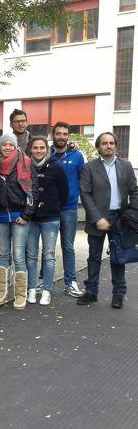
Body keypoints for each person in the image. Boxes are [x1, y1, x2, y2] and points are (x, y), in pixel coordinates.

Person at [79, 132, 138, 308]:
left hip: (120, 218)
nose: (108, 146)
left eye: (111, 143)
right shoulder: (90, 167)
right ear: (98, 147)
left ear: (115, 146)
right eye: (104, 143)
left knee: (118, 257)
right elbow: (85, 194)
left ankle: (118, 294)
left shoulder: (126, 166)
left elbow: (135, 190)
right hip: (97, 218)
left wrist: (133, 211)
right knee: (94, 257)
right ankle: (91, 292)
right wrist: (97, 218)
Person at [0, 133, 38, 310]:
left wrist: (26, 215)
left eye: (11, 144)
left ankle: (20, 295)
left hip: (20, 217)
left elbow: (33, 191)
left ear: (16, 146)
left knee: (18, 255)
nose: (8, 147)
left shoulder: (26, 163)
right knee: (3, 254)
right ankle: (1, 292)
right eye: (4, 144)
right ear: (0, 146)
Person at [25, 137, 68, 306]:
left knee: (49, 255)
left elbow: (64, 192)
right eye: (35, 147)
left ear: (47, 149)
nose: (38, 151)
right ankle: (31, 288)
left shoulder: (57, 166)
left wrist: (53, 207)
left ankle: (47, 290)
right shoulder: (25, 166)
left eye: (42, 147)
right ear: (30, 149)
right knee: (31, 255)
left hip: (50, 218)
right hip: (31, 218)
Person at [50, 122, 85, 298]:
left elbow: (83, 180)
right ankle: (44, 281)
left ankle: (70, 282)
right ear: (53, 135)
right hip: (50, 209)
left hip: (69, 208)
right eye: (58, 133)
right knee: (48, 248)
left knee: (68, 247)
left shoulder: (77, 155)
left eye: (65, 134)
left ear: (68, 136)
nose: (61, 137)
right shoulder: (46, 154)